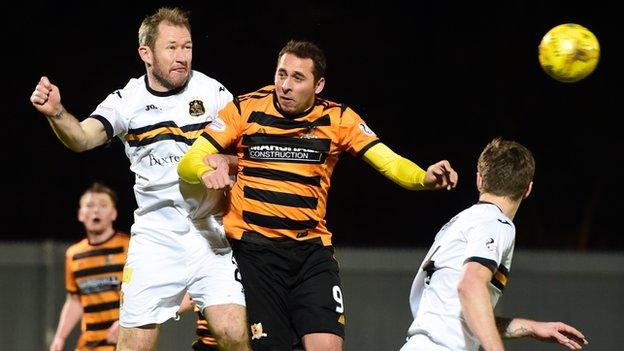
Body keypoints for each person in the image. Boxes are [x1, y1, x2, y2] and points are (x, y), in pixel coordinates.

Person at [178, 39, 459, 351]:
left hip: (310, 254)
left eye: (297, 78)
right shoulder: (245, 109)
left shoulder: (338, 119)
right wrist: (206, 171)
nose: (285, 85)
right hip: (255, 255)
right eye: (281, 74)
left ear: (319, 84)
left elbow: (390, 163)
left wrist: (424, 177)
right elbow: (189, 161)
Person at [30, 7, 250, 351]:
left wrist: (226, 162)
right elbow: (82, 138)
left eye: (187, 47)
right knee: (134, 345)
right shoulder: (127, 101)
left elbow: (246, 154)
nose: (182, 57)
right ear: (146, 53)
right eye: (172, 48)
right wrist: (57, 113)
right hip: (155, 239)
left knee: (234, 334)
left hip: (209, 232)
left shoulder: (214, 94)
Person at [400, 137, 589, 351]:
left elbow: (462, 317)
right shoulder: (497, 222)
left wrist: (530, 327)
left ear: (479, 180)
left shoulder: (460, 222)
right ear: (528, 189)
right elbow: (470, 286)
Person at [49, 183, 130, 351]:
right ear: (80, 214)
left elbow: (143, 293)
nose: (96, 210)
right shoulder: (74, 254)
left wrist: (127, 323)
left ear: (113, 213)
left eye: (103, 205)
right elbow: (75, 300)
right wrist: (59, 338)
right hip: (89, 344)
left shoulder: (129, 247)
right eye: (90, 205)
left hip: (123, 342)